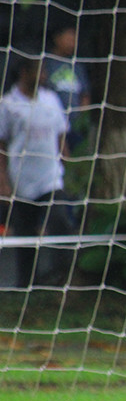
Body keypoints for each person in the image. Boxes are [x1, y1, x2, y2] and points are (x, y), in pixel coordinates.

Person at [0, 53, 71, 287]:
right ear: (25, 73)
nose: (44, 75)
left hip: (51, 178)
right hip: (22, 181)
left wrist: (66, 160)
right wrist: (4, 181)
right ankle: (26, 286)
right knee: (25, 235)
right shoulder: (9, 105)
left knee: (60, 220)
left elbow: (61, 134)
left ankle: (65, 277)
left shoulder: (51, 99)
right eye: (38, 70)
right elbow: (2, 144)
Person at [43, 25, 91, 152]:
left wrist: (81, 119)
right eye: (69, 39)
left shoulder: (77, 66)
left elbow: (84, 95)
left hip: (74, 127)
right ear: (57, 39)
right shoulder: (46, 64)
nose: (72, 43)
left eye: (74, 40)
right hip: (50, 126)